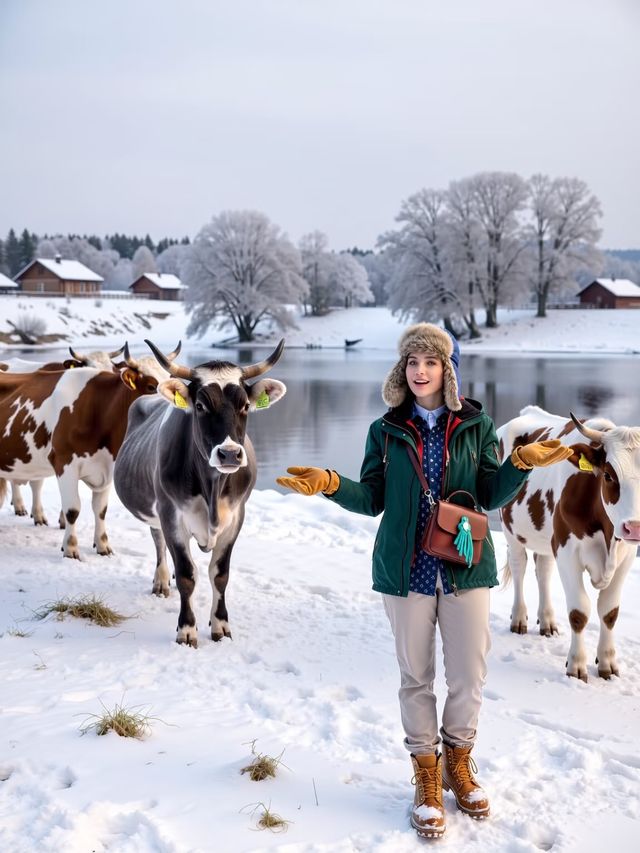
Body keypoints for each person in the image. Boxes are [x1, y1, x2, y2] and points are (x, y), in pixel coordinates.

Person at [277, 323, 572, 840]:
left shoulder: (476, 426)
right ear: (402, 368)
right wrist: (329, 484)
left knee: (468, 676)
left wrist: (520, 463)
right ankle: (427, 775)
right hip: (406, 571)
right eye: (412, 362)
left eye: (430, 362)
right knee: (415, 677)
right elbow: (372, 499)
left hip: (465, 566)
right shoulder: (384, 430)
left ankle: (459, 761)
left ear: (447, 370)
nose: (420, 371)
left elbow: (488, 494)